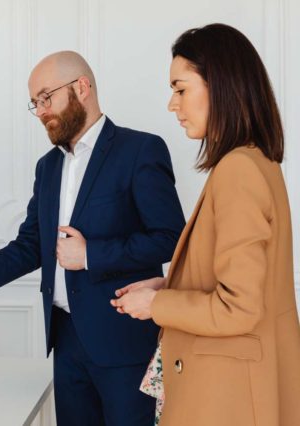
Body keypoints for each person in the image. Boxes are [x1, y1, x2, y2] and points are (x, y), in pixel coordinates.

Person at [0, 51, 185, 426]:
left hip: (124, 343)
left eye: (45, 97)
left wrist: (91, 255)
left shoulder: (140, 150)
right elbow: (31, 244)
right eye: (34, 103)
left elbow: (170, 237)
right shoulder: (48, 166)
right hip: (65, 341)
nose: (40, 111)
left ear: (81, 88)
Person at [111, 23, 300, 426]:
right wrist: (168, 284)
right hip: (240, 388)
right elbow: (250, 283)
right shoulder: (258, 162)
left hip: (226, 397)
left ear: (222, 85)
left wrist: (156, 305)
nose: (172, 105)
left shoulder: (238, 171)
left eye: (181, 89)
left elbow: (239, 307)